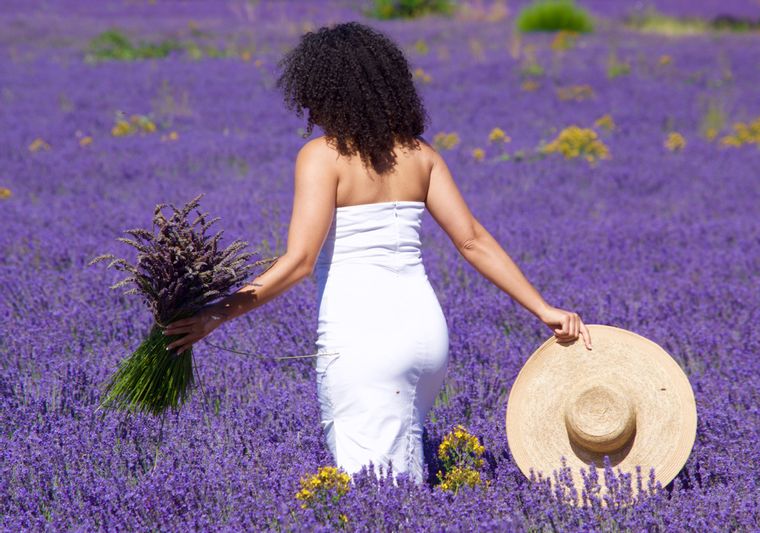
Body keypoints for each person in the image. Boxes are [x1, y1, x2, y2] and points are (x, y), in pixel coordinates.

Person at [162, 21, 592, 486]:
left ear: (328, 91)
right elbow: (472, 240)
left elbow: (300, 262)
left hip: (363, 338)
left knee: (373, 492)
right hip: (426, 338)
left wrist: (214, 315)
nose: (308, 105)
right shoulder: (420, 155)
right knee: (403, 481)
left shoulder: (322, 156)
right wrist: (542, 308)